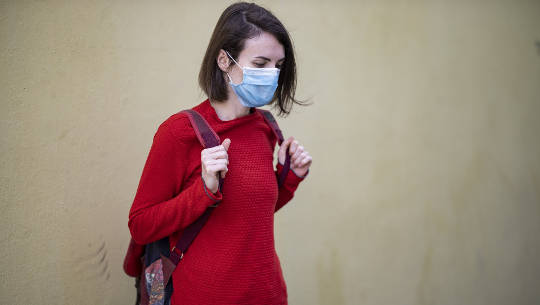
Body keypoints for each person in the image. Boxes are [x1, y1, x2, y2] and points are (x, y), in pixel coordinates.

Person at [127, 2, 312, 304]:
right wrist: (202, 192)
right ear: (224, 60)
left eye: (278, 66)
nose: (272, 75)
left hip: (268, 294)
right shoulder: (178, 131)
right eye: (261, 63)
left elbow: (248, 216)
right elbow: (141, 224)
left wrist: (290, 178)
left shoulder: (264, 127)